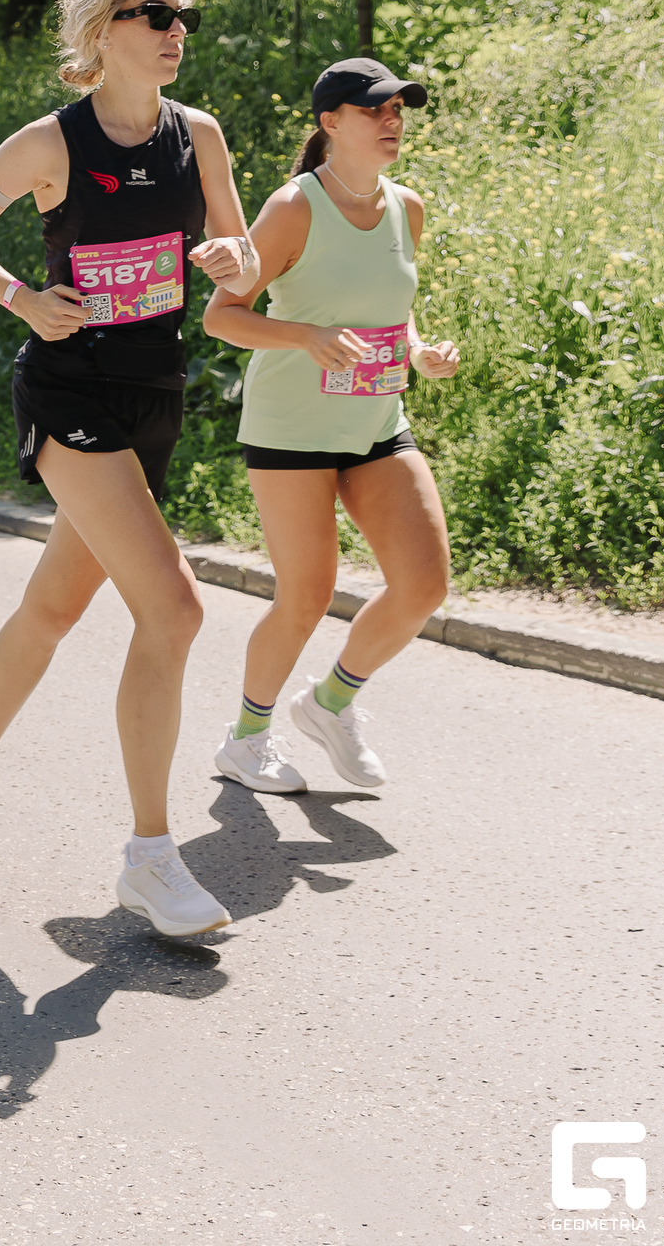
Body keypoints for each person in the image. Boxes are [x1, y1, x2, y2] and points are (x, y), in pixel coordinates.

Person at [0, 0, 260, 937]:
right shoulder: (49, 145)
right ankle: (151, 860)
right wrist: (22, 299)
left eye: (181, 16)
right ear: (104, 28)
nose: (175, 32)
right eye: (155, 14)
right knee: (175, 608)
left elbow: (240, 266)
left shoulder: (200, 137)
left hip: (155, 394)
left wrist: (232, 262)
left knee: (51, 609)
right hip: (68, 391)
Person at [201, 57, 460, 795]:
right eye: (375, 109)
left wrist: (418, 351)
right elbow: (224, 315)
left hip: (376, 419)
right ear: (330, 123)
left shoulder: (407, 207)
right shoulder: (294, 207)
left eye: (398, 110)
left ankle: (330, 703)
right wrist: (306, 337)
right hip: (293, 429)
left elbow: (389, 308)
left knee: (423, 585)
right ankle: (246, 739)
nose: (391, 121)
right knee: (306, 595)